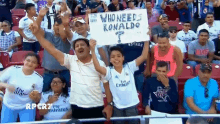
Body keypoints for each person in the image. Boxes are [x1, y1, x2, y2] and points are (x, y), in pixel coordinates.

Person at [29, 19, 113, 123]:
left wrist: (109, 104)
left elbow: (106, 85)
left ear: (89, 48)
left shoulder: (99, 63)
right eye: (76, 46)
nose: (79, 47)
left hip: (96, 106)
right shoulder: (71, 60)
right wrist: (37, 35)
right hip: (76, 107)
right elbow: (51, 48)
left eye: (82, 45)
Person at [89, 38, 149, 124]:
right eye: (113, 57)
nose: (116, 59)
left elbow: (143, 56)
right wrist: (92, 50)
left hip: (132, 106)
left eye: (118, 56)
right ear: (110, 60)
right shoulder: (109, 71)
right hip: (117, 108)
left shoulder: (130, 67)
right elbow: (97, 67)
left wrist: (146, 40)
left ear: (123, 58)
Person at [0, 52, 43, 123]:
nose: (30, 63)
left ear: (37, 65)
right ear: (24, 60)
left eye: (33, 62)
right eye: (28, 60)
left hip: (27, 106)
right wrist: (6, 85)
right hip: (8, 104)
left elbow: (38, 98)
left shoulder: (39, 78)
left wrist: (35, 97)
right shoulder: (12, 70)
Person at [36, 8, 71, 92]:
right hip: (48, 73)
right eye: (56, 25)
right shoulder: (47, 35)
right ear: (52, 27)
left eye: (60, 25)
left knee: (65, 96)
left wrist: (61, 21)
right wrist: (40, 17)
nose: (58, 27)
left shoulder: (67, 38)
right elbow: (36, 29)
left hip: (63, 73)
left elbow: (63, 34)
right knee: (45, 95)